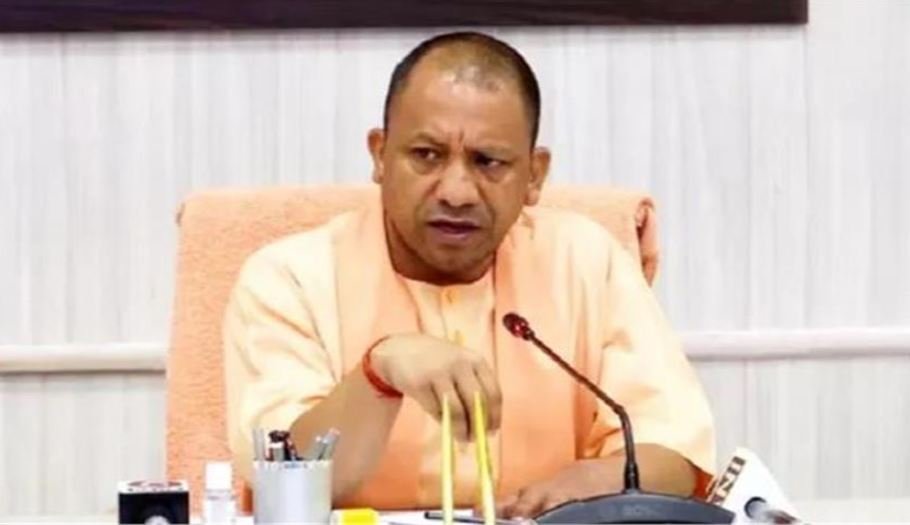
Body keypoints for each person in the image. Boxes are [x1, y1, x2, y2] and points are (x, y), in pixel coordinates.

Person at [223, 31, 715, 519]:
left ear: (534, 175)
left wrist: (589, 485)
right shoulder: (291, 278)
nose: (456, 192)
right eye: (426, 155)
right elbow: (283, 478)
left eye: (488, 162)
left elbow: (676, 456)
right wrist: (377, 373)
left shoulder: (585, 262)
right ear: (379, 155)